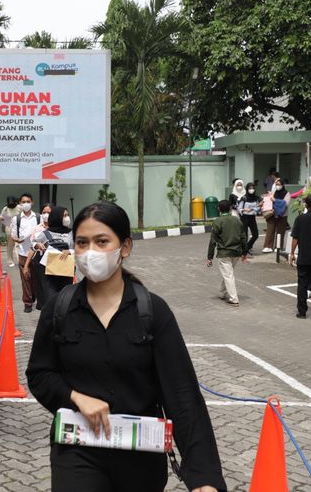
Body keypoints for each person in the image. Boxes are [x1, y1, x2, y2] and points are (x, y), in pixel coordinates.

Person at [26, 201, 226, 492]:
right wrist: (75, 398)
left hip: (141, 455)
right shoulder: (59, 308)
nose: (90, 251)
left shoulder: (153, 311)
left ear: (126, 247)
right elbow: (40, 374)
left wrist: (203, 477)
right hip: (78, 448)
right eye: (82, 243)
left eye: (102, 241)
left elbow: (182, 396)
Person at [206, 200, 248, 307]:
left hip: (224, 253)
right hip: (237, 252)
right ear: (230, 209)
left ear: (219, 209)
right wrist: (244, 252)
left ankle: (234, 299)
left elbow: (213, 241)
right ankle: (222, 292)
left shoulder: (217, 222)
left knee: (228, 275)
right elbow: (243, 238)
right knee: (228, 273)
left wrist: (209, 257)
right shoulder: (237, 220)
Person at [12, 192, 41, 312]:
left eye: (28, 201)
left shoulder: (38, 217)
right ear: (20, 203)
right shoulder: (17, 219)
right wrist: (17, 239)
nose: (26, 204)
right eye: (23, 202)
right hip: (23, 252)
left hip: (37, 253)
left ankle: (37, 298)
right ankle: (28, 302)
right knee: (26, 278)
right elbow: (13, 235)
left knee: (37, 278)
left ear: (32, 202)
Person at [38, 206, 75, 300]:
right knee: (51, 299)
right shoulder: (46, 233)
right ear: (57, 217)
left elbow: (80, 249)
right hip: (49, 273)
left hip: (66, 272)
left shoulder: (72, 233)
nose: (67, 218)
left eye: (67, 215)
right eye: (64, 216)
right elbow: (34, 243)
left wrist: (70, 251)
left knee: (64, 298)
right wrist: (37, 245)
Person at [23, 203, 53, 311]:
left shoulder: (58, 229)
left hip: (54, 263)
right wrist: (26, 266)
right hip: (39, 262)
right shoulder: (37, 229)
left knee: (51, 290)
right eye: (44, 212)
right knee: (40, 289)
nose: (46, 215)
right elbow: (32, 247)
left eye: (48, 212)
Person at [262, 178, 290, 253]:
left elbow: (286, 203)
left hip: (282, 214)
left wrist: (275, 200)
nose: (278, 186)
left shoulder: (286, 193)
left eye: (279, 184)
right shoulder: (273, 192)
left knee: (280, 231)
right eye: (276, 184)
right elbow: (268, 200)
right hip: (272, 213)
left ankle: (278, 247)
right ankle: (268, 246)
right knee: (270, 231)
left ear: (282, 185)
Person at [237, 182, 261, 254]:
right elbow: (239, 208)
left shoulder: (256, 198)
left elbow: (258, 208)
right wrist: (244, 210)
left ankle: (247, 248)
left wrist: (253, 209)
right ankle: (244, 251)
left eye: (253, 188)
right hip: (244, 217)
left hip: (252, 217)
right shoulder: (243, 198)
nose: (252, 190)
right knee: (245, 235)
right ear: (247, 189)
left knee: (255, 235)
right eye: (250, 188)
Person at [0, 196, 21, 267]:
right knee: (10, 245)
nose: (11, 204)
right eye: (9, 203)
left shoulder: (19, 207)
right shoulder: (5, 208)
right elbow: (1, 216)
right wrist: (1, 218)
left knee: (18, 244)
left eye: (12, 202)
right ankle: (10, 261)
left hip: (19, 227)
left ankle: (19, 260)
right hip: (8, 227)